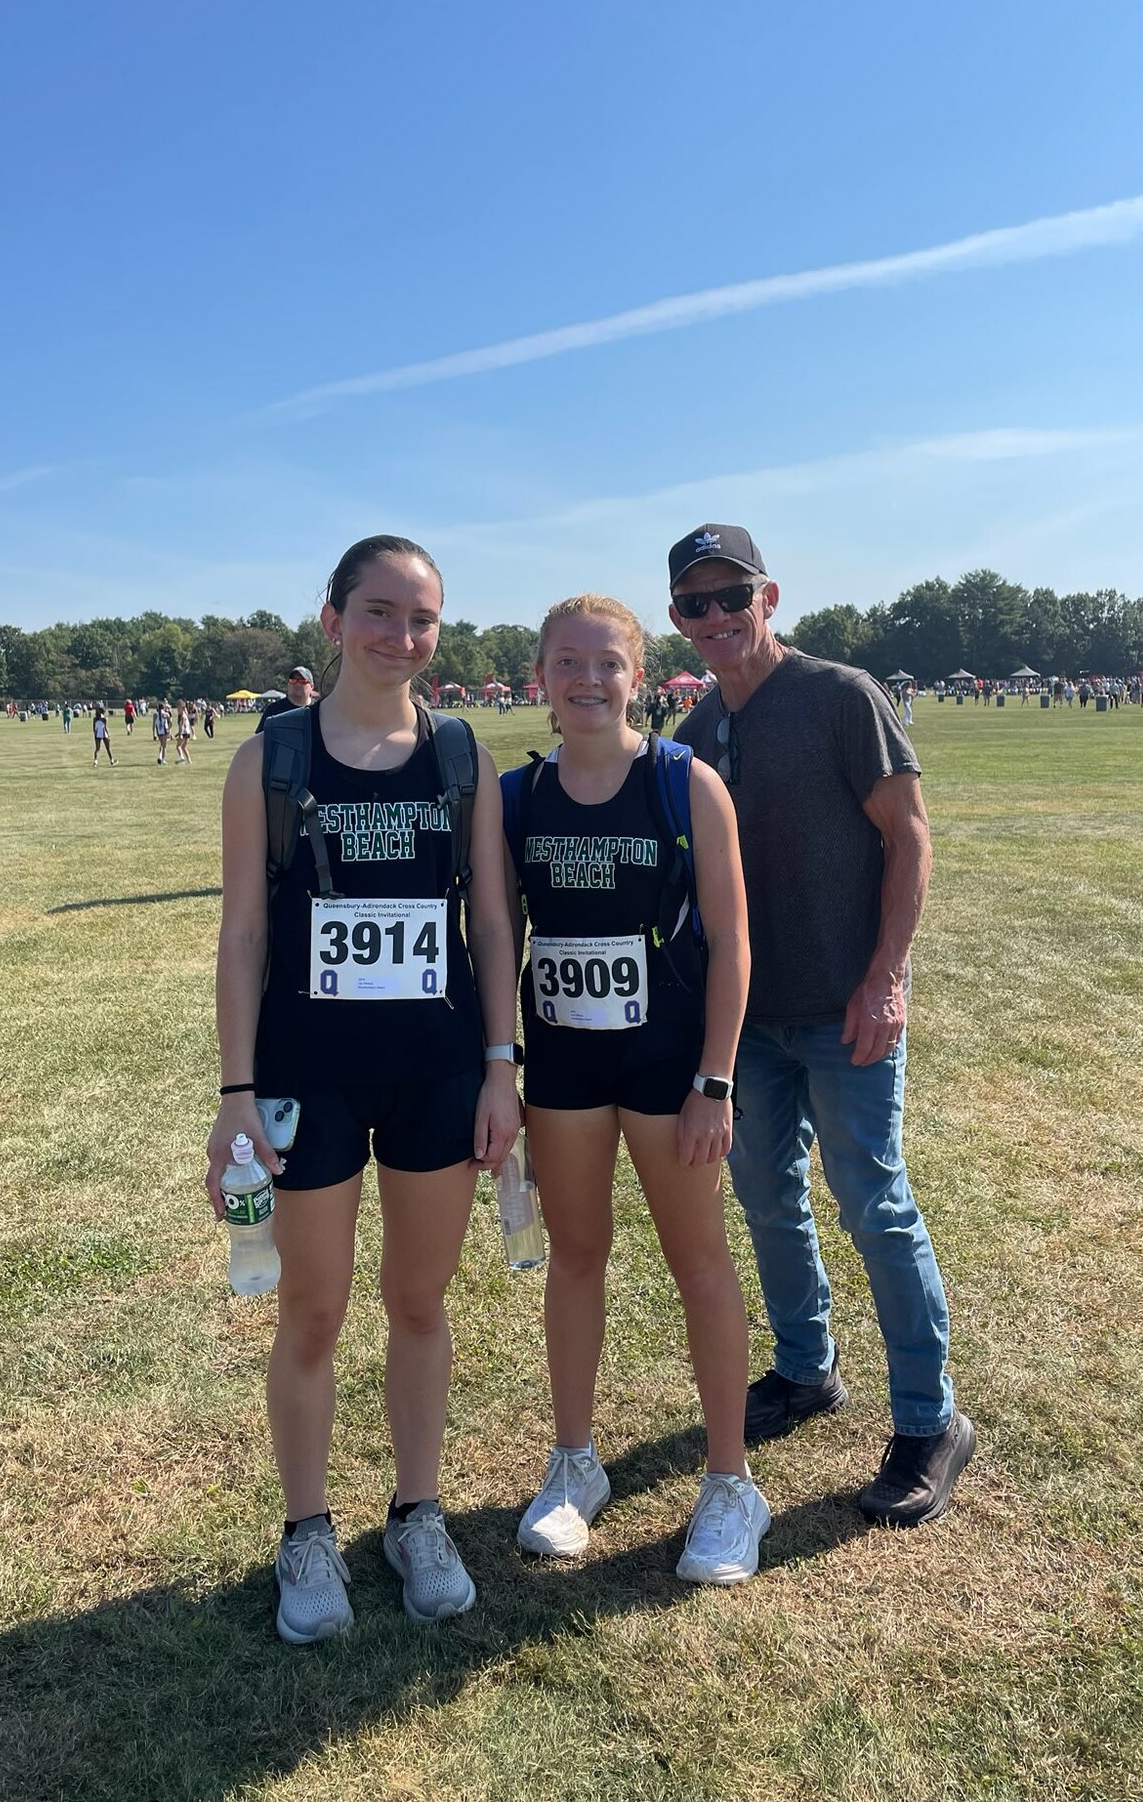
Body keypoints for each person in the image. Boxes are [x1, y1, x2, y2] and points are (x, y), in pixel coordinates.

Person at [206, 534, 521, 1644]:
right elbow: (243, 929)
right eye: (379, 611)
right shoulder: (273, 756)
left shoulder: (460, 754)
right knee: (313, 1307)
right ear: (332, 616)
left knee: (422, 1301)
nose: (402, 636)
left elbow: (490, 919)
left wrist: (500, 1065)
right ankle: (306, 1530)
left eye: (422, 618)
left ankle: (417, 1511)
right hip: (305, 1073)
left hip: (437, 1070)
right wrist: (235, 1089)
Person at [667, 524, 972, 1528]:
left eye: (730, 595)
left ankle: (930, 1420)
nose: (715, 617)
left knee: (874, 1203)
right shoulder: (699, 729)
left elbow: (910, 835)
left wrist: (886, 978)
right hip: (749, 1019)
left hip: (847, 1006)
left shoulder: (843, 696)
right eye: (693, 603)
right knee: (765, 1196)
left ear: (770, 596)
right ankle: (807, 1367)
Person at [503, 595, 767, 1585]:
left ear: (639, 675)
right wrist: (505, 1068)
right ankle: (575, 1463)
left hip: (670, 1067)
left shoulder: (685, 784)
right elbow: (500, 938)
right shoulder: (515, 795)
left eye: (606, 662)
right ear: (540, 679)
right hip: (566, 1065)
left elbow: (735, 941)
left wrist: (715, 1078)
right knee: (577, 1255)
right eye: (566, 662)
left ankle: (732, 1480)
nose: (586, 679)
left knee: (699, 1262)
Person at [256, 665, 317, 734]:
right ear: (288, 684)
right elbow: (260, 738)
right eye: (293, 680)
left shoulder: (318, 710)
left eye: (302, 681)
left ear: (311, 687)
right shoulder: (274, 710)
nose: (297, 684)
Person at [176, 700, 193, 764]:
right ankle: (189, 760)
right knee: (184, 747)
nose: (177, 710)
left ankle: (181, 757)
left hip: (183, 733)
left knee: (178, 747)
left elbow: (182, 726)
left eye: (178, 708)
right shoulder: (185, 714)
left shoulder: (183, 716)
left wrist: (180, 734)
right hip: (188, 733)